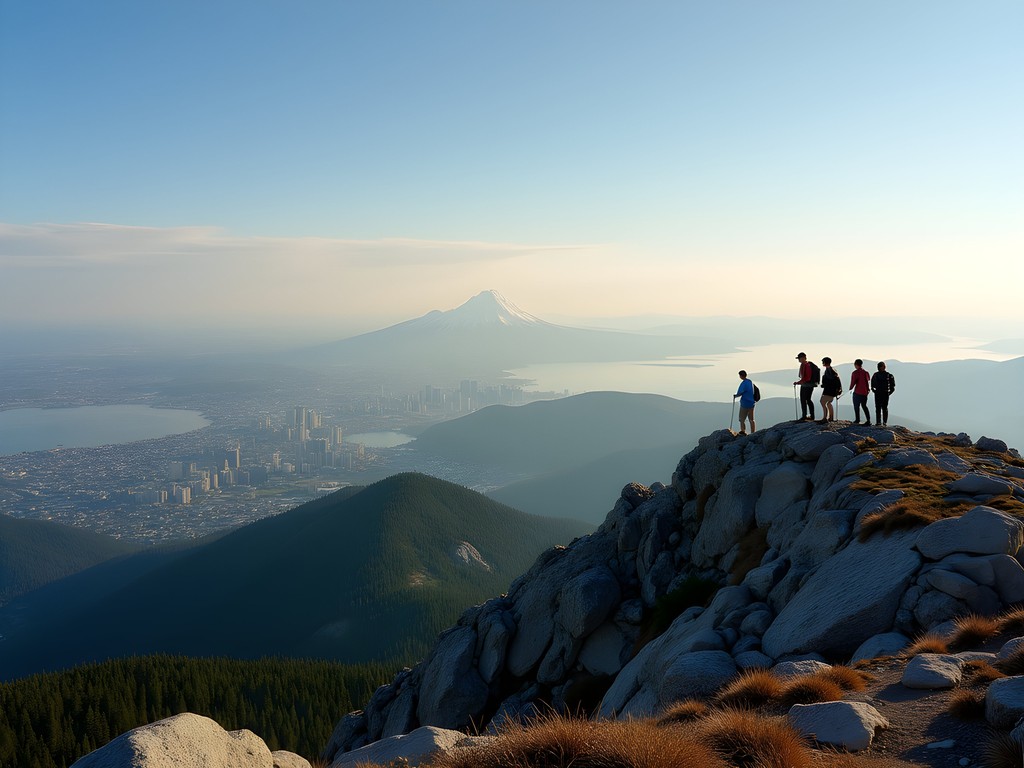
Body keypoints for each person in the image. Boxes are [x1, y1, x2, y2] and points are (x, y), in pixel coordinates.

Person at [871, 361, 896, 426]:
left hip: (880, 393)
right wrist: (888, 392)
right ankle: (883, 422)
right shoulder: (888, 375)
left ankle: (880, 422)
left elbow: (872, 385)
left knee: (879, 408)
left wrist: (875, 391)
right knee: (883, 408)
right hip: (883, 393)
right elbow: (892, 386)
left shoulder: (876, 375)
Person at [793, 352, 815, 421]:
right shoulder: (808, 364)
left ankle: (804, 416)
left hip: (806, 385)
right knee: (808, 400)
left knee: (803, 400)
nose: (798, 360)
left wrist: (799, 382)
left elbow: (807, 378)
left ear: (802, 358)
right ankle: (811, 416)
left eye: (799, 358)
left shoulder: (805, 365)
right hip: (810, 385)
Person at [733, 370, 756, 435]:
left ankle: (743, 431)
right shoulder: (750, 382)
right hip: (752, 403)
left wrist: (735, 396)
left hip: (745, 404)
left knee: (742, 419)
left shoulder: (743, 383)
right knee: (751, 419)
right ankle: (753, 432)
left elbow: (740, 392)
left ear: (741, 376)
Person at [819, 357, 841, 423]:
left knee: (822, 402)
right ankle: (830, 417)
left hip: (829, 390)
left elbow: (829, 380)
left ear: (825, 362)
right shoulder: (832, 370)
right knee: (828, 403)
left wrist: (824, 384)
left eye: (823, 362)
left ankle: (825, 418)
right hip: (832, 390)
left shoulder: (828, 371)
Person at [850, 359, 871, 425]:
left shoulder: (855, 373)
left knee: (856, 406)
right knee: (864, 406)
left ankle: (857, 419)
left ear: (856, 364)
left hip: (857, 392)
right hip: (865, 392)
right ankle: (868, 420)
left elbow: (853, 382)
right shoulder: (866, 372)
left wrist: (850, 389)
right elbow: (868, 380)